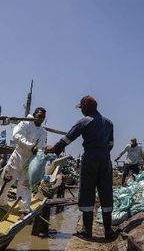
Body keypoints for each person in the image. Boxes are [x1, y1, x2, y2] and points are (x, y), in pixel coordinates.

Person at [45, 95, 115, 240]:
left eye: (81, 108)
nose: (80, 110)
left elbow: (68, 138)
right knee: (106, 191)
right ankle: (108, 232)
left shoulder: (84, 121)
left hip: (90, 158)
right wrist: (102, 153)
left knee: (87, 191)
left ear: (85, 107)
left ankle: (87, 231)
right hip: (105, 159)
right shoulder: (109, 123)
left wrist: (55, 148)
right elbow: (111, 143)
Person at [0, 107, 47, 212]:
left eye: (43, 117)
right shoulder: (25, 123)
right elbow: (17, 135)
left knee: (25, 185)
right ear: (34, 115)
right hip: (18, 156)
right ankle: (0, 202)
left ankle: (24, 209)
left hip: (29, 161)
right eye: (39, 116)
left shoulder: (43, 132)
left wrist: (38, 151)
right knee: (6, 180)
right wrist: (31, 146)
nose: (41, 119)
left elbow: (41, 146)